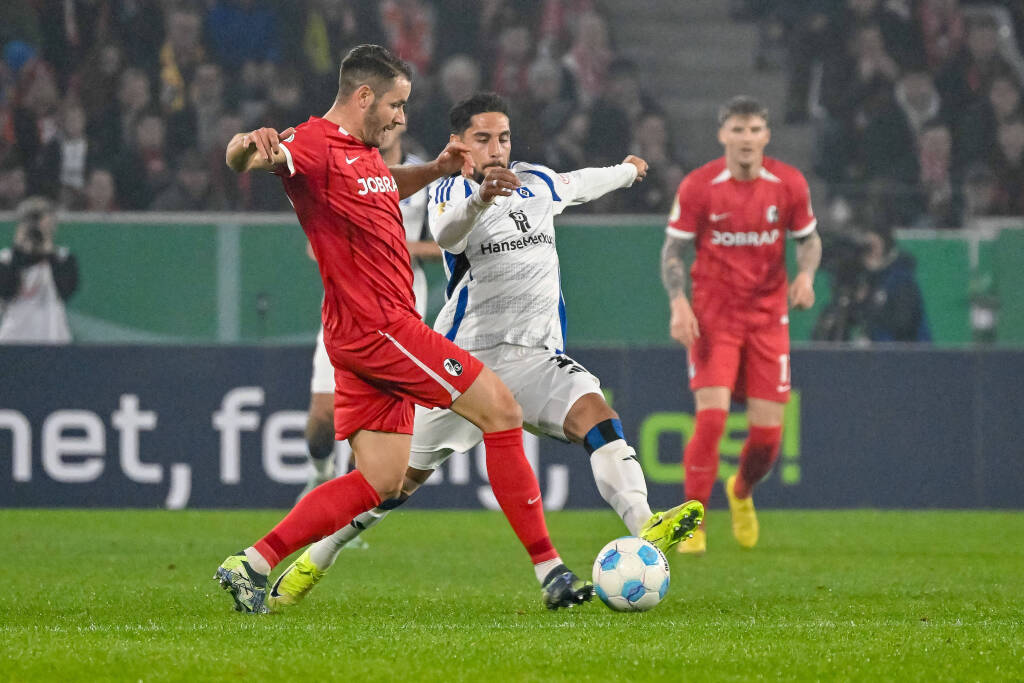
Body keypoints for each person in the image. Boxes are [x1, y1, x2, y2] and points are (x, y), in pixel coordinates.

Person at [265, 92, 705, 611]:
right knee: (391, 485)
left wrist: (628, 171)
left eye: (503, 137)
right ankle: (318, 557)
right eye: (482, 139)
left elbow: (579, 183)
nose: (496, 149)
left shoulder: (535, 181)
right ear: (459, 144)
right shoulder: (449, 190)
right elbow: (447, 235)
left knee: (599, 418)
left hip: (537, 358)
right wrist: (482, 198)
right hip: (465, 367)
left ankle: (645, 523)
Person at [215, 44, 593, 614]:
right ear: (363, 96)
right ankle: (550, 571)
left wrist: (438, 170)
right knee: (502, 410)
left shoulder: (361, 156)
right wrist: (246, 145)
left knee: (383, 482)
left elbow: (382, 185)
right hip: (380, 327)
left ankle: (253, 562)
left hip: (363, 333)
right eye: (396, 104)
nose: (401, 117)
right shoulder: (313, 146)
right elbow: (246, 160)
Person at [660, 96, 821, 555]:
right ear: (722, 135)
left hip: (769, 320)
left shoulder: (788, 183)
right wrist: (678, 303)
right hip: (714, 318)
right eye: (737, 129)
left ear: (766, 136)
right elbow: (673, 252)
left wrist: (806, 274)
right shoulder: (699, 186)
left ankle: (741, 491)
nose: (746, 138)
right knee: (710, 422)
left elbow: (809, 241)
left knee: (768, 439)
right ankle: (693, 522)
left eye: (754, 130)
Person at [298, 123, 440, 506]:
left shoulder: (425, 175)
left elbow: (449, 242)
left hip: (401, 308)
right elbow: (316, 245)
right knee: (322, 421)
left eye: (396, 111)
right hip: (347, 305)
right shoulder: (346, 171)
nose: (387, 123)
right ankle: (320, 474)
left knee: (370, 420)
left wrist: (396, 246)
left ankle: (344, 509)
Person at [0, 196, 78, 343]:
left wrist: (48, 251)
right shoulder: (6, 259)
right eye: (31, 221)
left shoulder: (63, 258)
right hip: (13, 339)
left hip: (53, 337)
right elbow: (6, 292)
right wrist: (18, 250)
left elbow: (65, 291)